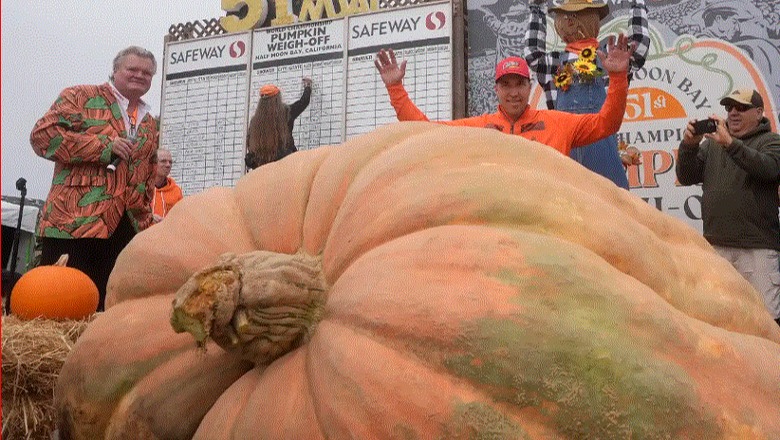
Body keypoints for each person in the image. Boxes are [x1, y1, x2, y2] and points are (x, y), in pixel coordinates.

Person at [30, 46, 159, 312]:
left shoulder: (149, 122)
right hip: (75, 222)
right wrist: (102, 147)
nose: (139, 76)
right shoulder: (80, 96)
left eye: (146, 73)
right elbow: (41, 138)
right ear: (114, 71)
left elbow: (147, 173)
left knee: (108, 310)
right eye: (132, 69)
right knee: (60, 307)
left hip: (126, 229)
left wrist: (146, 221)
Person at [374, 33, 635, 157]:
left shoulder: (559, 124)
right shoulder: (478, 128)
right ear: (496, 89)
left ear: (530, 87)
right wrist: (396, 89)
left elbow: (606, 124)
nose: (513, 93)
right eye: (506, 85)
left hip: (549, 226)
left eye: (519, 85)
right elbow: (425, 131)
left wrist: (617, 77)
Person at [676, 89, 780, 327]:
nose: (733, 112)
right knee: (722, 321)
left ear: (759, 113)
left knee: (764, 322)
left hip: (757, 250)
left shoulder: (771, 142)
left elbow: (768, 169)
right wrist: (689, 146)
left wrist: (731, 144)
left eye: (741, 108)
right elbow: (686, 176)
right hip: (717, 248)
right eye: (729, 107)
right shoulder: (713, 145)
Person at [524, 0, 650, 189]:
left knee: (610, 213)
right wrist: (535, 9)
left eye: (570, 17)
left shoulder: (610, 57)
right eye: (563, 17)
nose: (565, 22)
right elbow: (532, 54)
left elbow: (638, 48)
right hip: (567, 164)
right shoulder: (556, 63)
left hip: (603, 160)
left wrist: (637, 3)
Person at [245, 77, 312, 170]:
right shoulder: (286, 113)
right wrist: (307, 86)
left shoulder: (254, 121)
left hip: (261, 168)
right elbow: (303, 102)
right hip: (284, 165)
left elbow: (249, 143)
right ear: (277, 99)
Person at [151, 149, 183, 223]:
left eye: (170, 162)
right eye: (163, 161)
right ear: (153, 164)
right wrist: (149, 218)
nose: (168, 165)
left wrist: (167, 223)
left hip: (166, 233)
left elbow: (180, 218)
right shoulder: (141, 188)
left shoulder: (176, 191)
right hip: (144, 233)